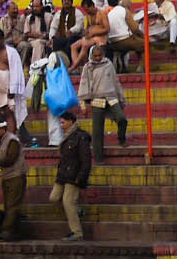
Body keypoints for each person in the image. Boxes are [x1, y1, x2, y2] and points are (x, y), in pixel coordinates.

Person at [77, 44, 126, 153]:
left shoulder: (108, 64)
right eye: (96, 56)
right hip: (97, 100)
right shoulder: (88, 67)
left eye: (100, 55)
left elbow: (115, 81)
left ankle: (121, 139)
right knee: (97, 131)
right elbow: (84, 85)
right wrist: (83, 105)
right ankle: (99, 157)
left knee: (122, 119)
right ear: (92, 56)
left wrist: (121, 98)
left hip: (111, 97)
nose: (98, 58)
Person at [54, 106, 92, 241]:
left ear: (71, 122)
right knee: (54, 197)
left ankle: (77, 232)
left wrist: (81, 177)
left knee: (68, 202)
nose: (61, 125)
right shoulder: (66, 136)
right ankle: (77, 210)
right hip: (63, 174)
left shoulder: (81, 137)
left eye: (63, 122)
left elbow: (86, 160)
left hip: (74, 176)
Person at [0, 113, 26, 240]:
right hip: (7, 177)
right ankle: (14, 232)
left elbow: (10, 159)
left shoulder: (12, 140)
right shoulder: (1, 141)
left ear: (3, 129)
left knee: (13, 205)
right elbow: (3, 162)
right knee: (9, 205)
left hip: (16, 177)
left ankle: (7, 231)